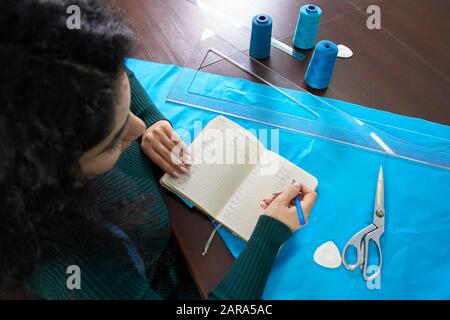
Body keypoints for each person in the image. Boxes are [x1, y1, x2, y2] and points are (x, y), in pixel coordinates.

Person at [0, 0, 317, 299]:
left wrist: (152, 119)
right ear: (48, 176)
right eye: (113, 140)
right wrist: (266, 238)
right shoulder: (78, 269)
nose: (138, 130)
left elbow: (113, 72)